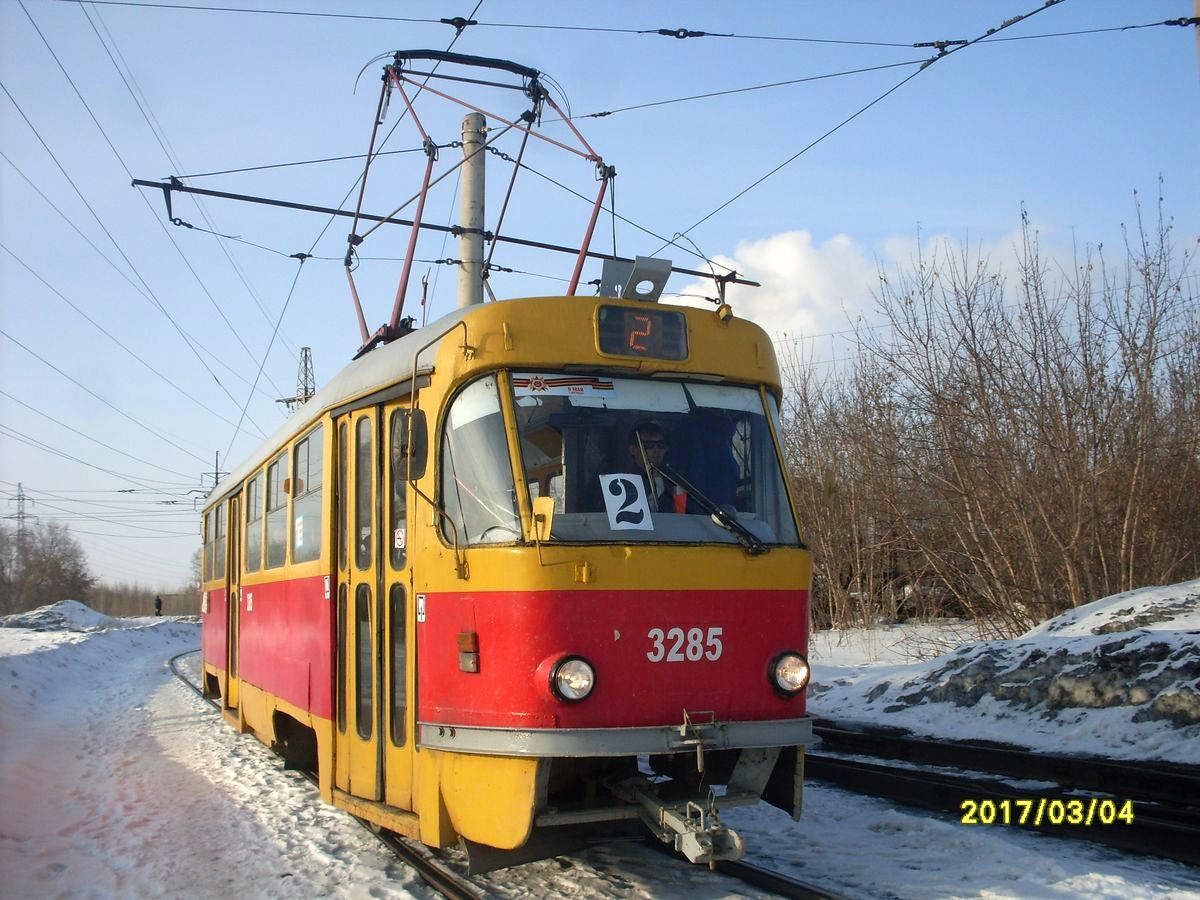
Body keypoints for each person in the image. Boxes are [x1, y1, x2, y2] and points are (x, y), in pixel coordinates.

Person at [624, 422, 674, 512]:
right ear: (632, 450)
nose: (656, 450)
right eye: (648, 445)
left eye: (661, 444)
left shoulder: (675, 483)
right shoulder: (623, 483)